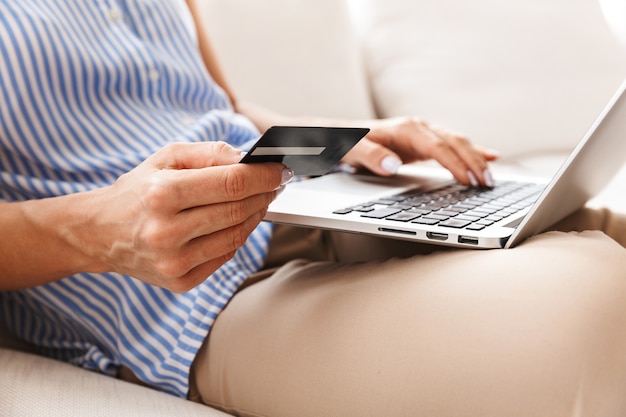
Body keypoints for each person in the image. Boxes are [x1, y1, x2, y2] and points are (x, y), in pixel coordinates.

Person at [1, 1, 625, 416]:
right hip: (187, 296)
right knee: (596, 304)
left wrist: (344, 137)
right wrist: (100, 233)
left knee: (587, 230)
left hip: (305, 204)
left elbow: (223, 110)